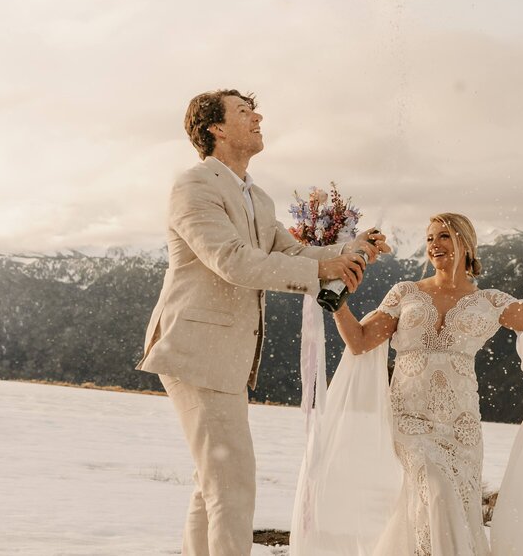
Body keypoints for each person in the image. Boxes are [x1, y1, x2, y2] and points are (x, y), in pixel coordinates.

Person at [136, 88, 389, 556]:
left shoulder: (258, 197)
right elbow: (232, 262)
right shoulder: (194, 186)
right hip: (195, 350)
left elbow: (294, 254)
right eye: (244, 112)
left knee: (212, 481)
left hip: (225, 358)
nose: (258, 117)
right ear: (215, 128)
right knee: (231, 484)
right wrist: (322, 270)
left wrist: (353, 250)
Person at [329, 212, 523, 555]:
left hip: (461, 428)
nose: (434, 245)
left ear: (466, 244)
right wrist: (336, 303)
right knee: (438, 494)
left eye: (443, 236)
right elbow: (360, 341)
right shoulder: (405, 293)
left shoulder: (488, 302)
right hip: (409, 420)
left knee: (456, 510)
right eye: (429, 239)